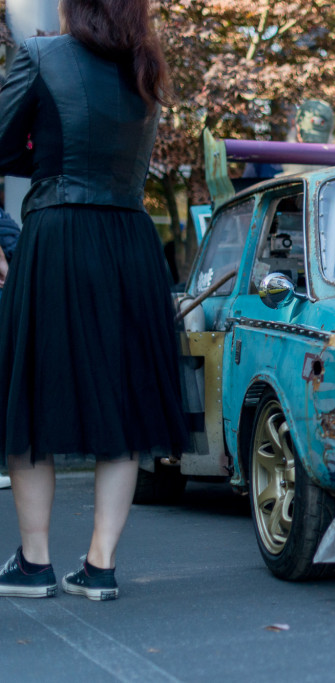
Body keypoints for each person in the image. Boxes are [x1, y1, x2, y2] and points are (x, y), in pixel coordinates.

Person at [0, 0, 189, 600]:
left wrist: (45, 154)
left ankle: (34, 564)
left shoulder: (40, 55)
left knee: (31, 395)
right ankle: (100, 566)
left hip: (58, 232)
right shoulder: (147, 68)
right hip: (131, 241)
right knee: (124, 402)